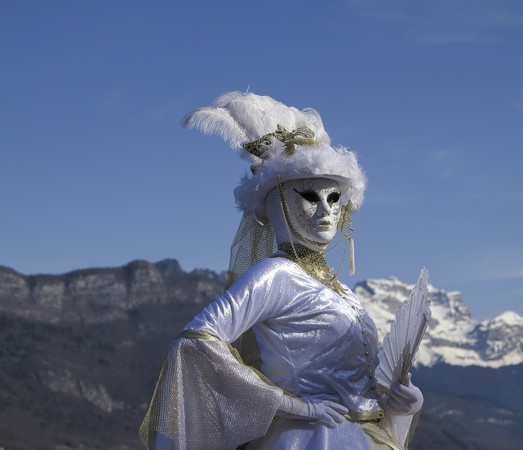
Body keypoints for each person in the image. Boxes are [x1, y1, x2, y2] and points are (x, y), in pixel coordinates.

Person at [139, 92, 424, 449]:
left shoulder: (345, 293)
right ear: (277, 203)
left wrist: (405, 406)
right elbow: (195, 341)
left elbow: (362, 391)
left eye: (335, 198)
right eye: (308, 195)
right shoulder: (276, 276)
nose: (325, 209)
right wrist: (290, 405)